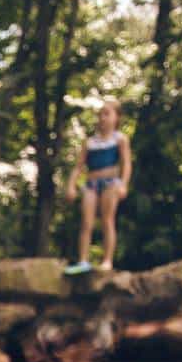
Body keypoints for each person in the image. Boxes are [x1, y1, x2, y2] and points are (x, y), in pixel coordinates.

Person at [64, 98, 132, 275]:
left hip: (111, 183)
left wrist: (123, 184)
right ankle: (83, 260)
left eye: (107, 114)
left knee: (107, 220)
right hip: (91, 183)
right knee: (86, 222)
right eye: (100, 114)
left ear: (116, 117)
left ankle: (107, 261)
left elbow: (126, 164)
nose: (102, 118)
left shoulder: (120, 139)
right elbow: (79, 166)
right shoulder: (90, 142)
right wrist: (71, 186)